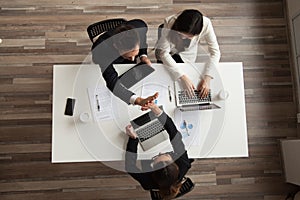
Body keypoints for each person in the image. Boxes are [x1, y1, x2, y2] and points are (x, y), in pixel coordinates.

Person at [125, 102, 194, 199]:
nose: (160, 152)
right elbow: (175, 135)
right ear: (175, 162)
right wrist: (159, 113)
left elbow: (130, 167)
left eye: (156, 157)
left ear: (152, 168)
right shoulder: (184, 164)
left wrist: (133, 138)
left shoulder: (147, 182)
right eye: (166, 154)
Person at [92, 19, 157, 110]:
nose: (133, 59)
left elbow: (142, 42)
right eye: (129, 57)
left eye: (135, 54)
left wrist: (143, 55)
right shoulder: (101, 51)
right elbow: (112, 82)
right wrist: (138, 100)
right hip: (110, 57)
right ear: (116, 47)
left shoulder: (141, 27)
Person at [155, 9, 221, 98]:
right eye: (180, 34)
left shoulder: (206, 24)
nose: (182, 37)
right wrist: (183, 77)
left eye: (188, 36)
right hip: (168, 51)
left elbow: (215, 52)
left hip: (187, 53)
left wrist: (207, 78)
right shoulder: (169, 22)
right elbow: (164, 53)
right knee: (165, 80)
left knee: (186, 86)